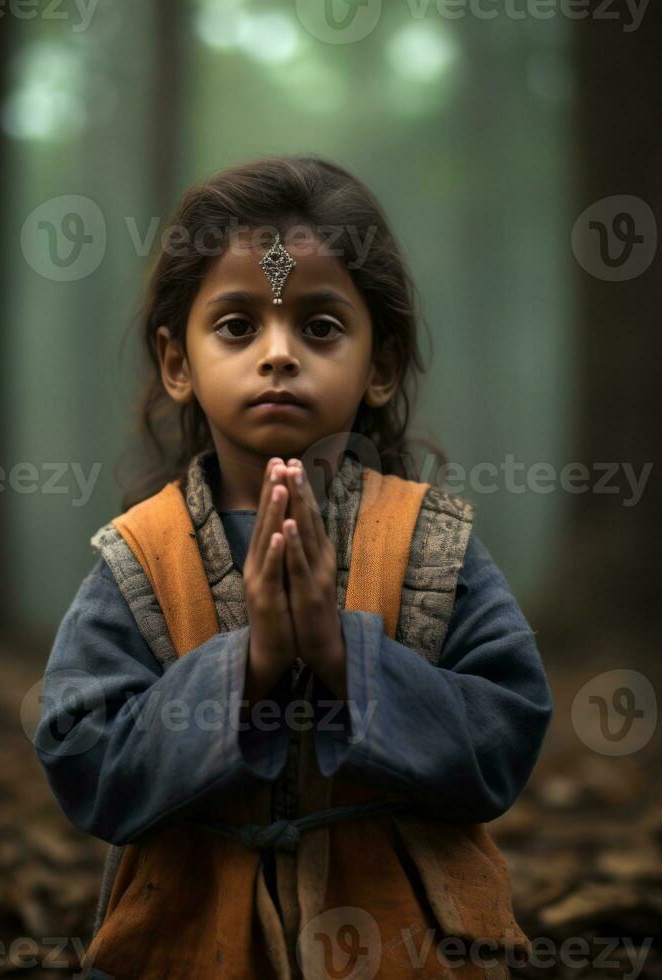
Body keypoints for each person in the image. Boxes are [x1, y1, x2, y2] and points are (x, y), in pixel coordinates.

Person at [34, 155, 553, 979]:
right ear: (178, 363)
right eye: (238, 326)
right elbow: (83, 763)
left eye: (319, 327)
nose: (278, 355)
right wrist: (253, 662)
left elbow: (506, 737)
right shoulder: (140, 555)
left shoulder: (431, 545)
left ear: (378, 364)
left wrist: (346, 653)